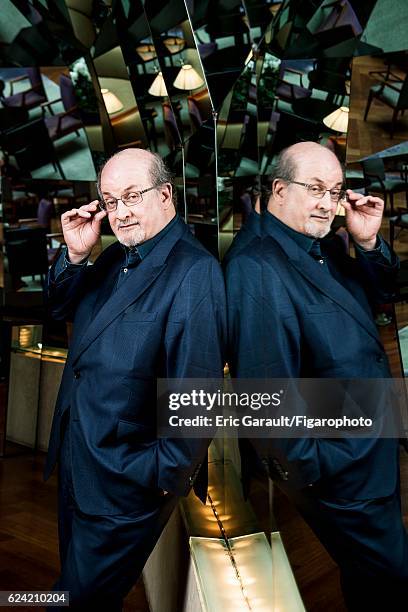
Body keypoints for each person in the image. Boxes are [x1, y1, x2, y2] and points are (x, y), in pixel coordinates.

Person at [225, 141, 408, 610]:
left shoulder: (317, 242)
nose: (329, 202)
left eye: (336, 191)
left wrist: (367, 241)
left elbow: (385, 293)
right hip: (343, 469)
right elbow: (267, 393)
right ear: (279, 189)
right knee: (393, 584)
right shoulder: (259, 266)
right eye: (316, 189)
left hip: (366, 447)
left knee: (372, 584)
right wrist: (320, 471)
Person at [44, 148, 226, 610]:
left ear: (166, 195)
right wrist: (75, 254)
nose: (120, 212)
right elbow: (60, 308)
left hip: (124, 482)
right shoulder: (114, 255)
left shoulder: (194, 271)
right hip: (80, 461)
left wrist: (155, 477)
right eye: (109, 200)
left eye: (132, 196)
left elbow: (198, 397)